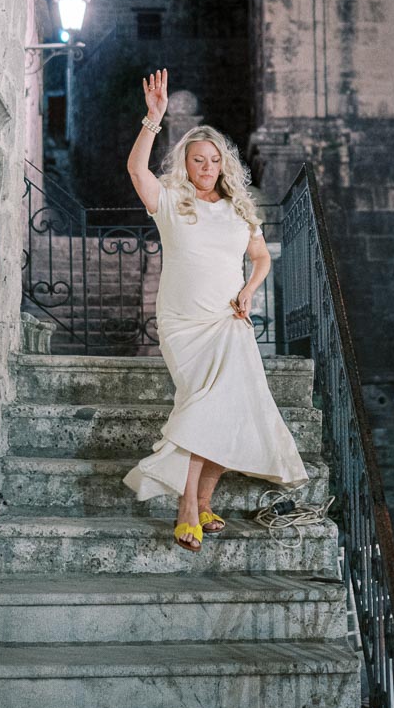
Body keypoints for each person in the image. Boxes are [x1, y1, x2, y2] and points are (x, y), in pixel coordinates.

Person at [123, 69, 308, 551]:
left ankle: (199, 504)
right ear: (186, 163)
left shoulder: (240, 209)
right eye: (198, 159)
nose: (206, 166)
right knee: (199, 404)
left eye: (213, 160)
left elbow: (263, 258)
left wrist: (249, 289)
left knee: (226, 408)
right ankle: (191, 505)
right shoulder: (170, 202)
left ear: (223, 164)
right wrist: (153, 119)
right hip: (184, 323)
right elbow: (137, 172)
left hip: (229, 321)